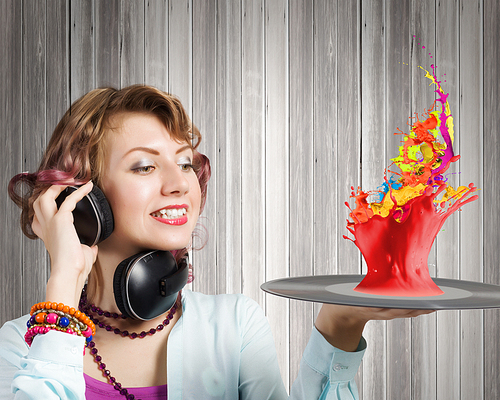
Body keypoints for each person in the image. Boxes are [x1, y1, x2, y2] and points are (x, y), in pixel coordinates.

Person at [0, 85, 432, 399]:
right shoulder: (18, 345)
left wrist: (340, 325)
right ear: (85, 200)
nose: (180, 185)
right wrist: (62, 286)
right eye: (145, 167)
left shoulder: (234, 327)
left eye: (185, 163)